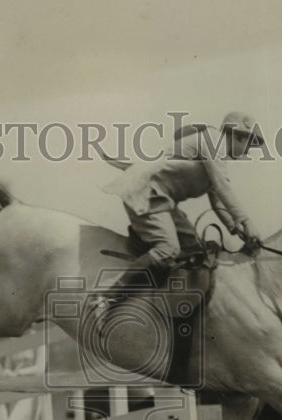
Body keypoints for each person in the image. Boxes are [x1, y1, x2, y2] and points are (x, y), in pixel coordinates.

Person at [99, 111, 265, 296]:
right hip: (145, 192)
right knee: (168, 250)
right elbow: (222, 186)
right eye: (249, 143)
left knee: (194, 250)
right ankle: (107, 297)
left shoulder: (217, 154)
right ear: (237, 136)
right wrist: (247, 221)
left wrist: (236, 228)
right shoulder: (214, 141)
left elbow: (217, 201)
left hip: (162, 201)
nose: (248, 151)